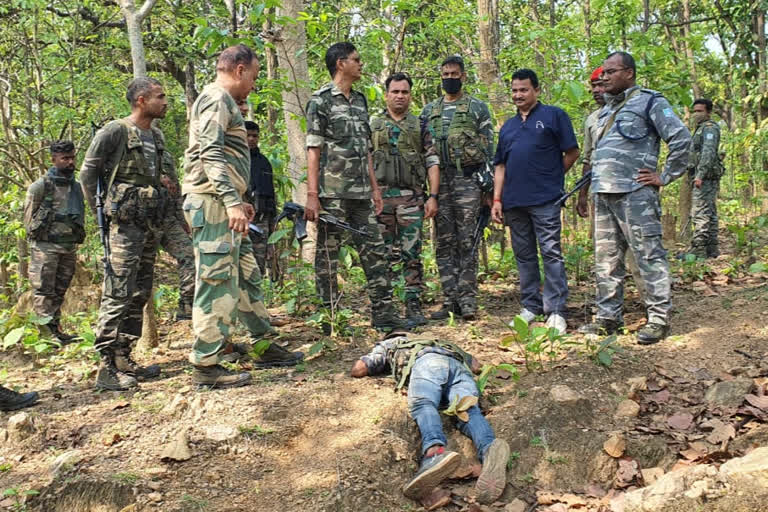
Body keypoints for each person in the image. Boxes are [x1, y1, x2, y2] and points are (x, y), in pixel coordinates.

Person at [182, 44, 303, 388]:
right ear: (239, 70)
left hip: (226, 204)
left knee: (247, 275)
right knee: (216, 280)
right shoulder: (216, 98)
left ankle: (263, 345)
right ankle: (205, 366)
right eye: (254, 74)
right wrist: (230, 202)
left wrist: (238, 200)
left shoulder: (223, 102)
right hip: (212, 204)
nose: (254, 82)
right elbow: (211, 154)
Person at [579, 51, 691, 344]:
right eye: (603, 73)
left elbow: (681, 139)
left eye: (611, 72)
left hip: (635, 194)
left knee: (647, 256)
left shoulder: (652, 101)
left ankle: (658, 319)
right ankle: (608, 318)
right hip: (603, 195)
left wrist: (664, 176)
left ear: (628, 73)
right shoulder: (603, 110)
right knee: (606, 260)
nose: (604, 77)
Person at [305, 42, 404, 332]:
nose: (361, 64)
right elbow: (313, 149)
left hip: (362, 194)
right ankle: (330, 320)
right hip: (332, 194)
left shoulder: (360, 101)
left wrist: (375, 189)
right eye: (356, 60)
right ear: (340, 64)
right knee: (327, 258)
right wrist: (313, 195)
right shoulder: (320, 101)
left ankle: (384, 315)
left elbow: (366, 150)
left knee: (375, 251)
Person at [350, 331, 509, 504]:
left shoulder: (393, 342)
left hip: (427, 364)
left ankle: (434, 453)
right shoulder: (439, 340)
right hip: (458, 368)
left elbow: (359, 369)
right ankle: (489, 449)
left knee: (423, 404)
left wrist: (381, 355)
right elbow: (476, 365)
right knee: (468, 411)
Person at [81, 78, 168, 390]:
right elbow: (87, 174)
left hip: (148, 224)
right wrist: (99, 213)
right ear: (142, 100)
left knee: (140, 292)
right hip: (122, 226)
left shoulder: (155, 136)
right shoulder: (115, 131)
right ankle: (105, 368)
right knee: (117, 292)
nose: (165, 102)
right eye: (160, 97)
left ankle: (123, 357)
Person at [491, 69, 579, 333]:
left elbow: (572, 152)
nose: (518, 95)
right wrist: (497, 199)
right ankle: (531, 305)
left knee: (551, 252)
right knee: (524, 255)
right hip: (514, 201)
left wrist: (552, 177)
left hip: (545, 199)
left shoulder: (554, 116)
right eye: (515, 90)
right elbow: (500, 165)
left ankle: (556, 310)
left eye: (524, 89)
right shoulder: (508, 126)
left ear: (536, 90)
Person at [421, 55, 494, 321]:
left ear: (463, 76)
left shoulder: (477, 108)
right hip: (440, 183)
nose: (449, 79)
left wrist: (488, 190)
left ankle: (468, 301)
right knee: (444, 242)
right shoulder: (429, 111)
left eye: (454, 74)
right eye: (445, 74)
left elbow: (489, 150)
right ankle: (449, 300)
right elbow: (424, 151)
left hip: (469, 182)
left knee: (468, 241)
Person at [372, 72, 440, 327]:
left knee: (411, 254)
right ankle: (385, 308)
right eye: (395, 92)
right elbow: (365, 161)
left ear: (410, 95)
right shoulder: (374, 124)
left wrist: (432, 196)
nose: (400, 96)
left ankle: (413, 304)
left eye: (404, 92)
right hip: (381, 199)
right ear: (387, 94)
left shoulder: (421, 125)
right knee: (383, 255)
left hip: (411, 198)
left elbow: (432, 161)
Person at [23, 140, 85, 345]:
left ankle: (56, 330)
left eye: (72, 157)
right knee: (43, 290)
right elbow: (29, 220)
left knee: (60, 290)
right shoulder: (40, 186)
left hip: (68, 247)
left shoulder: (75, 186)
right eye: (65, 158)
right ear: (53, 160)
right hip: (45, 248)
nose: (70, 162)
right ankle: (45, 335)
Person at [158, 151, 195, 320]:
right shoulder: (123, 144)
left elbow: (176, 189)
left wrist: (183, 219)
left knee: (189, 253)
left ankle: (187, 304)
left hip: (167, 218)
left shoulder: (165, 155)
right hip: (137, 219)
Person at [686, 98, 723, 259]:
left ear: (709, 112)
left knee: (700, 212)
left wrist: (699, 175)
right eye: (695, 111)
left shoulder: (709, 129)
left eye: (700, 111)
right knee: (710, 211)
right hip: (704, 175)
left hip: (705, 176)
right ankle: (712, 249)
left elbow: (708, 153)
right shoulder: (701, 128)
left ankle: (699, 250)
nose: (696, 115)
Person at [245, 121, 277, 276]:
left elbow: (271, 196)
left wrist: (272, 228)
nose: (251, 139)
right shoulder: (233, 159)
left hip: (261, 220)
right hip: (240, 220)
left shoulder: (264, 162)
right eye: (248, 135)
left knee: (258, 266)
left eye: (254, 136)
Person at [576, 66, 606, 218]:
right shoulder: (592, 119)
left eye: (601, 85)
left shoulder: (635, 111)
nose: (596, 90)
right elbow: (588, 159)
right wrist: (582, 195)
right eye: (594, 86)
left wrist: (663, 176)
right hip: (600, 190)